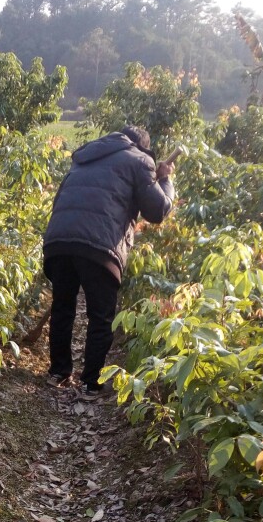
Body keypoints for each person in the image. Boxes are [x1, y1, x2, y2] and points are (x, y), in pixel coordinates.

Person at [42, 125, 175, 398]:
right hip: (100, 245)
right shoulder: (140, 160)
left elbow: (59, 199)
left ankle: (58, 372)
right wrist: (164, 180)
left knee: (63, 307)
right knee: (101, 316)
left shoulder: (85, 156)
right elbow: (158, 210)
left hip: (59, 238)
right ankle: (91, 383)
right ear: (142, 146)